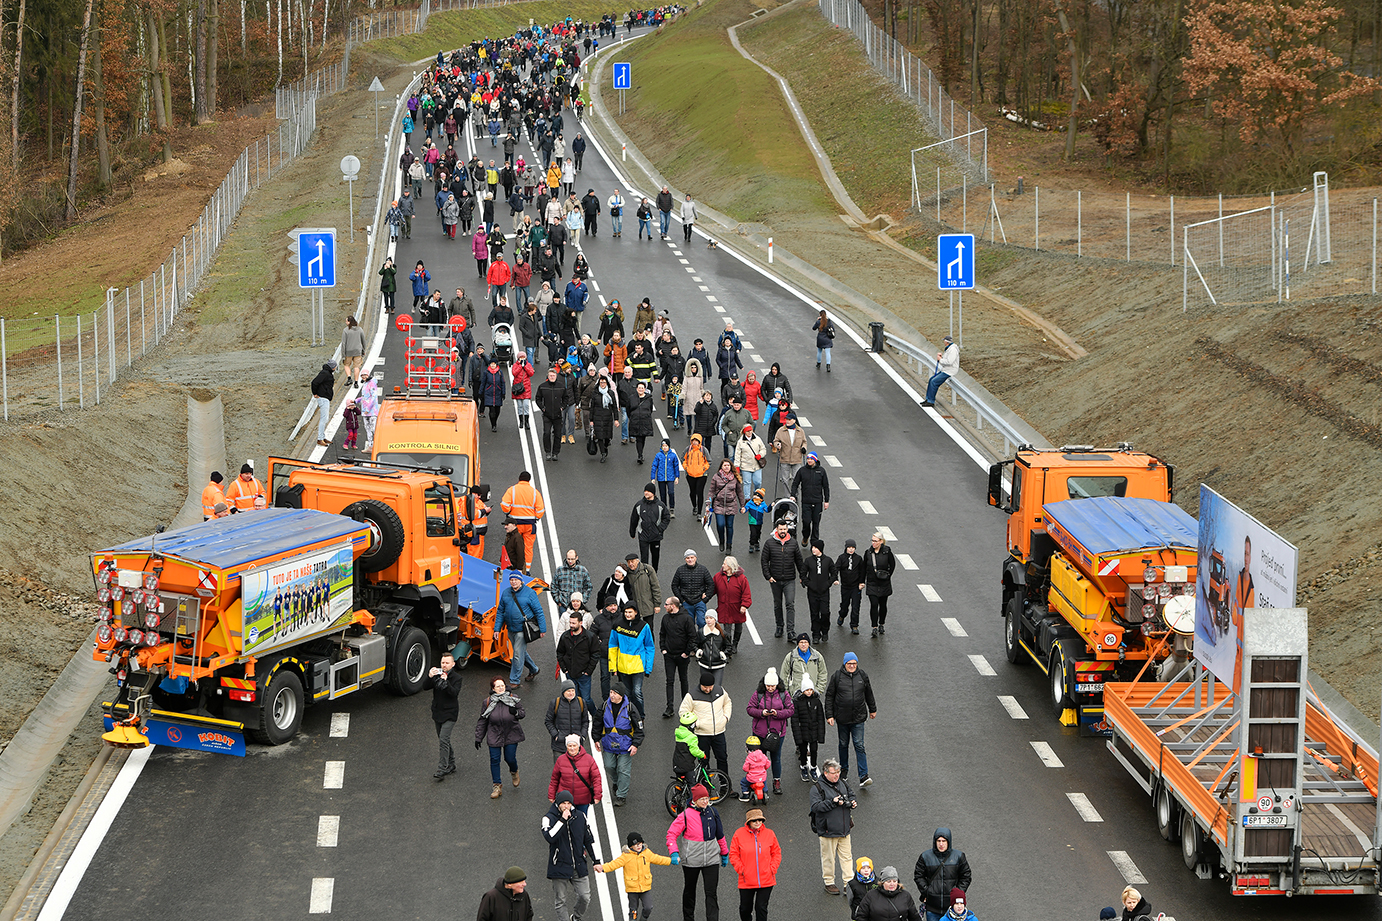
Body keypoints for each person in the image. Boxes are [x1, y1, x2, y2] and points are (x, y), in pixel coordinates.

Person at [665, 784, 729, 921]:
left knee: (711, 893)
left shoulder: (713, 812)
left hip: (711, 860)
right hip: (691, 861)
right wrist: (674, 852)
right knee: (689, 891)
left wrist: (724, 852)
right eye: (702, 799)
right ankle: (688, 918)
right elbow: (671, 834)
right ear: (694, 800)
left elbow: (720, 834)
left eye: (707, 798)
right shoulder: (685, 815)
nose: (705, 802)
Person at [542, 790, 604, 921]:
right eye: (563, 803)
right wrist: (562, 820)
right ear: (558, 804)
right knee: (561, 901)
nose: (566, 806)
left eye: (569, 803)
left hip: (578, 864)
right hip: (559, 865)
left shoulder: (580, 816)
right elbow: (550, 837)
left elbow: (588, 840)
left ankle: (576, 918)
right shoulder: (548, 818)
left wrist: (595, 860)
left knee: (585, 897)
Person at [826, 652, 877, 785]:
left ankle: (864, 776)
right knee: (843, 744)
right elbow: (829, 696)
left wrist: (873, 709)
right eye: (850, 663)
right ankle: (843, 770)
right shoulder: (837, 677)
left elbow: (868, 693)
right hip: (842, 718)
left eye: (854, 663)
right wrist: (829, 715)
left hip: (858, 718)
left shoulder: (862, 675)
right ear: (845, 664)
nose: (852, 666)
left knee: (859, 745)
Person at [600, 830, 672, 921]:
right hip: (632, 889)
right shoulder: (626, 856)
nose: (638, 846)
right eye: (635, 844)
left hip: (645, 887)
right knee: (633, 911)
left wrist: (670, 861)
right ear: (631, 846)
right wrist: (603, 868)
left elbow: (658, 859)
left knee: (648, 907)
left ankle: (643, 919)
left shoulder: (647, 853)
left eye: (640, 843)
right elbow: (614, 864)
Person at [810, 758, 857, 895]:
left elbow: (851, 793)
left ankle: (848, 884)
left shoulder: (842, 782)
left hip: (844, 829)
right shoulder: (817, 788)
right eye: (833, 773)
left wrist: (852, 801)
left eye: (838, 772)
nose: (837, 775)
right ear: (825, 773)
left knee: (847, 857)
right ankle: (829, 882)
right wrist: (833, 802)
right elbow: (815, 807)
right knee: (829, 858)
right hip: (827, 831)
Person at [476, 676, 526, 799]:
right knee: (494, 759)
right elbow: (483, 720)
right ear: (493, 688)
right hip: (494, 734)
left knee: (510, 758)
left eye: (502, 685)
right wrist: (478, 737)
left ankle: (514, 771)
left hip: (511, 733)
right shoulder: (487, 702)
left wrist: (516, 712)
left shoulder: (513, 699)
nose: (501, 688)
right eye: (498, 686)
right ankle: (497, 786)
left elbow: (522, 713)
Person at [594, 682, 644, 806]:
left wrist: (635, 744)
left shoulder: (630, 708)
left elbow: (639, 728)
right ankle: (616, 782)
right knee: (609, 766)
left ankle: (621, 795)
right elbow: (597, 723)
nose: (611, 695)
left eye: (615, 693)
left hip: (625, 746)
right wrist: (596, 739)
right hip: (608, 744)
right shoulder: (604, 706)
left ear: (621, 695)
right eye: (611, 692)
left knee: (623, 770)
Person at [746, 668, 794, 795]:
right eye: (768, 685)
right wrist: (761, 713)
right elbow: (750, 709)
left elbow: (791, 710)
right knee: (758, 759)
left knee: (776, 758)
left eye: (773, 686)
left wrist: (777, 714)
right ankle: (758, 782)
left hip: (777, 734)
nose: (770, 688)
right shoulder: (758, 694)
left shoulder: (784, 694)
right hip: (759, 733)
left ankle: (776, 781)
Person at [729, 808, 780, 921]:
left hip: (766, 879)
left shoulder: (770, 834)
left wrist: (772, 868)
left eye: (760, 820)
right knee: (745, 909)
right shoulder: (739, 834)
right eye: (754, 820)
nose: (758, 822)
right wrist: (741, 869)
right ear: (748, 822)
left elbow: (776, 852)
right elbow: (733, 854)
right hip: (746, 880)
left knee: (761, 908)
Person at [680, 671, 732, 778]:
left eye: (710, 687)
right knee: (703, 760)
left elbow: (727, 702)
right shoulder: (691, 696)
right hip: (701, 734)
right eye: (705, 687)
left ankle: (725, 785)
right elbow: (683, 712)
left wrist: (726, 718)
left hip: (719, 732)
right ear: (700, 684)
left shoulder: (720, 691)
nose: (708, 690)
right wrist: (697, 724)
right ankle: (704, 786)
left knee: (722, 758)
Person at [499, 572, 545, 688]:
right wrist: (496, 629)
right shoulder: (506, 593)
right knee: (521, 652)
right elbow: (500, 611)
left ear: (521, 581)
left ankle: (514, 680)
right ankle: (534, 669)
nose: (513, 582)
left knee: (517, 655)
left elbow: (538, 611)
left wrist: (542, 629)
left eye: (516, 579)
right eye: (511, 580)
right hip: (511, 629)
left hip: (521, 630)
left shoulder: (530, 593)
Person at [610, 603, 656, 718]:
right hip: (622, 666)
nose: (627, 614)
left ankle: (640, 717)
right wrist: (613, 667)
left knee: (637, 693)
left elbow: (650, 646)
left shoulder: (644, 626)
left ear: (636, 612)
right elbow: (612, 645)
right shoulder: (617, 625)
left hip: (638, 667)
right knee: (627, 694)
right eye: (625, 612)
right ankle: (628, 716)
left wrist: (648, 667)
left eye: (630, 612)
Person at [913, 830, 972, 921]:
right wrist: (927, 891)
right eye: (938, 841)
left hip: (953, 908)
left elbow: (966, 876)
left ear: (949, 842)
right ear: (934, 842)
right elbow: (918, 875)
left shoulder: (959, 856)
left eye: (944, 841)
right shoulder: (925, 856)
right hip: (932, 908)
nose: (941, 844)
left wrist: (957, 893)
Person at [760, 521, 804, 640]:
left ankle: (790, 631)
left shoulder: (793, 543)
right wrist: (768, 576)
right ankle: (779, 626)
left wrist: (803, 576)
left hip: (789, 580)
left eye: (785, 529)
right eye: (781, 529)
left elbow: (799, 561)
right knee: (777, 604)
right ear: (776, 530)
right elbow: (764, 561)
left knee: (790, 604)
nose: (783, 531)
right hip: (775, 580)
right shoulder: (769, 543)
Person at [659, 595, 698, 719]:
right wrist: (663, 649)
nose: (664, 606)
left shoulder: (686, 619)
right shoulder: (665, 618)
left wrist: (686, 652)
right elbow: (662, 634)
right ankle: (669, 707)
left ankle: (685, 706)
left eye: (666, 604)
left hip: (682, 655)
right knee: (669, 681)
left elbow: (692, 636)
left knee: (683, 680)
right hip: (669, 655)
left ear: (673, 606)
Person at [427, 651, 462, 780]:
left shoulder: (457, 678)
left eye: (447, 663)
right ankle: (451, 763)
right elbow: (425, 687)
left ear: (453, 664)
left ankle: (442, 768)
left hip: (450, 713)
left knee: (443, 739)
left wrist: (446, 683)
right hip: (437, 712)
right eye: (443, 662)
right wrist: (430, 676)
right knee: (444, 740)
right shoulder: (437, 674)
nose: (444, 665)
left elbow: (454, 693)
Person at [501, 472, 546, 573]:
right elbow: (540, 510)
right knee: (528, 548)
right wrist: (535, 517)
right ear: (529, 480)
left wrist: (508, 512)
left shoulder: (512, 490)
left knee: (513, 545)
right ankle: (527, 570)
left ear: (519, 479)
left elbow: (504, 505)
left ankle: (511, 567)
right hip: (529, 525)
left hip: (515, 525)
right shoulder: (535, 492)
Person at [549, 734, 604, 813]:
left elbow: (596, 778)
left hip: (583, 799)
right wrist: (551, 794)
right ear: (566, 746)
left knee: (581, 821)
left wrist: (597, 795)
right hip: (566, 801)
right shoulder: (560, 760)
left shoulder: (589, 759)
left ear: (579, 746)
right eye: (569, 745)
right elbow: (555, 779)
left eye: (574, 745)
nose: (572, 748)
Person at [712, 556, 752, 657]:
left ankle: (735, 644)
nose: (722, 565)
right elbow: (712, 589)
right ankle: (728, 647)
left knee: (738, 626)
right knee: (727, 629)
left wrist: (744, 605)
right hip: (724, 607)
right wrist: (705, 596)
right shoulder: (718, 577)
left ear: (730, 566)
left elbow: (746, 593)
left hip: (737, 607)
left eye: (724, 564)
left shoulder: (742, 578)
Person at [790, 673, 825, 782]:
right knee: (803, 750)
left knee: (814, 750)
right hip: (803, 731)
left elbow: (820, 718)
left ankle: (813, 767)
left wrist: (821, 734)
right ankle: (804, 766)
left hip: (814, 730)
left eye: (811, 689)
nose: (809, 692)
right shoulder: (797, 702)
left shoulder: (816, 701)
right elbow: (794, 720)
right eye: (807, 690)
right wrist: (797, 737)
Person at [630, 483, 673, 572]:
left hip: (656, 536)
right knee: (644, 558)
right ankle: (645, 576)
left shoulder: (661, 505)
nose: (646, 493)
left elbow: (667, 518)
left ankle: (654, 574)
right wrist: (632, 531)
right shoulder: (639, 505)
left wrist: (660, 529)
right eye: (645, 491)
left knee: (655, 557)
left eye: (648, 491)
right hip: (643, 536)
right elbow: (634, 518)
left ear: (653, 493)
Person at [791, 454, 830, 548]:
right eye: (808, 459)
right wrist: (793, 495)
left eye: (811, 459)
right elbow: (795, 483)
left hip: (817, 502)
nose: (809, 461)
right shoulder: (802, 471)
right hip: (806, 502)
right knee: (806, 522)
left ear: (815, 460)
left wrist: (826, 501)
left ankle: (814, 543)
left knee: (816, 523)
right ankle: (805, 536)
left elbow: (826, 486)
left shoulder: (821, 471)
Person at [802, 540, 837, 644]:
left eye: (816, 548)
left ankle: (825, 631)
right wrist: (809, 584)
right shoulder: (808, 561)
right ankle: (816, 634)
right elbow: (803, 574)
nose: (813, 549)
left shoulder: (828, 560)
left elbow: (834, 573)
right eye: (812, 547)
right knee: (814, 613)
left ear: (820, 549)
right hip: (812, 592)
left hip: (824, 592)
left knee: (825, 612)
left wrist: (828, 584)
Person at [862, 533, 896, 637]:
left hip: (884, 583)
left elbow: (893, 564)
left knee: (883, 605)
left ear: (881, 541)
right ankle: (874, 627)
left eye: (875, 541)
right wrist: (862, 581)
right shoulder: (868, 553)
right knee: (874, 604)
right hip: (872, 583)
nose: (873, 543)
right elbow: (864, 568)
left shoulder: (887, 551)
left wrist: (888, 575)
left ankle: (881, 623)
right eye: (872, 540)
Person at [545, 681, 590, 760]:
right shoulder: (555, 703)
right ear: (563, 692)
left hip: (576, 745)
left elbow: (585, 721)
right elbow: (548, 721)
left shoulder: (581, 702)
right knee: (560, 770)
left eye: (573, 690)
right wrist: (556, 735)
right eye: (568, 691)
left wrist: (582, 735)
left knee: (577, 771)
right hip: (560, 745)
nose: (571, 693)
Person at [857, 868, 922, 921]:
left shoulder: (905, 896)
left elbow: (914, 917)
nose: (892, 884)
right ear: (882, 882)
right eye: (888, 881)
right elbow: (861, 916)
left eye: (894, 881)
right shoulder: (871, 895)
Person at [671, 550, 714, 629]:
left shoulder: (703, 569)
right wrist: (681, 599)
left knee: (702, 622)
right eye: (687, 558)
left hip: (699, 602)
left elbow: (711, 584)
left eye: (692, 557)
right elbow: (674, 585)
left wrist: (706, 598)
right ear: (685, 559)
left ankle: (701, 639)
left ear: (696, 558)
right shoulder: (680, 570)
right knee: (689, 624)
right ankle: (692, 640)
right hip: (686, 602)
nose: (690, 559)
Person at [706, 459, 742, 553]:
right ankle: (721, 541)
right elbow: (711, 491)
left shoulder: (735, 478)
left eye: (728, 465)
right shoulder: (716, 477)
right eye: (725, 465)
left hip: (731, 505)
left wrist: (743, 505)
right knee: (720, 524)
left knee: (729, 526)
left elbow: (739, 492)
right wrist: (708, 504)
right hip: (719, 504)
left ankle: (729, 545)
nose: (726, 467)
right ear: (721, 466)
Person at [537, 366, 570, 461]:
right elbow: (538, 398)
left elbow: (566, 398)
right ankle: (547, 452)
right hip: (547, 415)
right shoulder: (542, 386)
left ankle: (555, 453)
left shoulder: (561, 386)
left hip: (558, 415)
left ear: (556, 376)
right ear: (548, 376)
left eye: (553, 375)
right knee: (546, 433)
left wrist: (562, 407)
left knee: (557, 434)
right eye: (550, 375)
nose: (552, 377)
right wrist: (542, 408)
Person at [625, 552, 664, 628]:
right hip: (635, 608)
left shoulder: (648, 570)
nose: (630, 564)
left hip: (647, 605)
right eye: (628, 562)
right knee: (635, 629)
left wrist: (657, 604)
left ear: (637, 561)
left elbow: (655, 587)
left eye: (632, 561)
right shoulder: (627, 573)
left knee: (649, 629)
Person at [771, 414, 807, 497]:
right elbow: (775, 441)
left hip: (797, 458)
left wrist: (804, 448)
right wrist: (777, 445)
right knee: (785, 479)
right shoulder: (781, 430)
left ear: (794, 420)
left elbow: (804, 442)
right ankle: (788, 496)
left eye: (789, 420)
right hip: (784, 458)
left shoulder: (800, 431)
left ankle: (795, 495)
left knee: (796, 479)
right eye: (786, 419)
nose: (787, 421)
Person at [835, 540, 865, 636]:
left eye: (853, 547)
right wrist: (835, 579)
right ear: (846, 548)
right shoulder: (841, 558)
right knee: (845, 605)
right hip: (845, 587)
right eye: (849, 547)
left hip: (855, 587)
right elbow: (836, 568)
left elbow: (862, 571)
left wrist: (861, 582)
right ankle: (842, 615)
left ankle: (854, 625)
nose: (851, 549)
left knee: (856, 606)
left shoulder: (859, 559)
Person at [554, 548, 595, 615]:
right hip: (564, 605)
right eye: (568, 559)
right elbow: (554, 586)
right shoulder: (560, 570)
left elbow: (588, 587)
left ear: (576, 558)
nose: (570, 561)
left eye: (572, 559)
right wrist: (558, 600)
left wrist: (582, 600)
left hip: (578, 607)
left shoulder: (583, 571)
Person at [922, 336, 959, 407]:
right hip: (946, 370)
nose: (944, 342)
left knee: (934, 382)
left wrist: (940, 359)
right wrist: (941, 357)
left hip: (950, 371)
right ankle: (928, 399)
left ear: (947, 342)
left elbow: (950, 361)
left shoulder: (953, 350)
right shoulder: (949, 348)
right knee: (931, 380)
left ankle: (931, 401)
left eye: (944, 341)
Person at [734, 425, 768, 502]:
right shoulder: (740, 442)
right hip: (745, 466)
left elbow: (763, 449)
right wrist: (737, 466)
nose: (750, 432)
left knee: (758, 482)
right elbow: (737, 455)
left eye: (751, 430)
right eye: (748, 431)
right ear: (744, 432)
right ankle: (747, 498)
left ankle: (756, 493)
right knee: (747, 483)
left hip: (756, 466)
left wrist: (760, 455)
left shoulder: (757, 439)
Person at [694, 612, 729, 685]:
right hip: (704, 664)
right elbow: (694, 644)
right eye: (707, 618)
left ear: (715, 619)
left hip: (718, 665)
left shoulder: (722, 633)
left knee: (716, 688)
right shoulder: (701, 632)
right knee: (706, 688)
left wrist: (723, 654)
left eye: (711, 618)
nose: (708, 620)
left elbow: (729, 647)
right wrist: (699, 652)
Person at [683, 434, 712, 519]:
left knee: (700, 492)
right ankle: (694, 506)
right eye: (693, 440)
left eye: (696, 440)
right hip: (690, 474)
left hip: (702, 475)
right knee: (692, 492)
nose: (695, 442)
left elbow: (709, 461)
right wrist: (686, 468)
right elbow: (683, 459)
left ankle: (699, 512)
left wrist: (703, 469)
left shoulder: (703, 450)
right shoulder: (688, 450)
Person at [627, 381, 657, 464]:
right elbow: (628, 409)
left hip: (645, 421)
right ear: (636, 389)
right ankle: (640, 455)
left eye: (642, 388)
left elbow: (650, 410)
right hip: (635, 421)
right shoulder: (631, 398)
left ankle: (640, 453)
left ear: (645, 389)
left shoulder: (649, 399)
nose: (640, 389)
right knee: (638, 438)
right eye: (639, 388)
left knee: (642, 438)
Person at [652, 439, 682, 518]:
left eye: (666, 446)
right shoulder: (658, 455)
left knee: (671, 492)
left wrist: (677, 477)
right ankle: (664, 509)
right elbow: (654, 466)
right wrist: (653, 478)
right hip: (661, 478)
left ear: (669, 446)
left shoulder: (673, 456)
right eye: (663, 446)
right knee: (662, 494)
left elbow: (676, 466)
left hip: (670, 477)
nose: (664, 448)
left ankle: (671, 509)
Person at [310, 359, 336, 447]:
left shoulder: (326, 372)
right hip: (323, 397)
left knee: (325, 418)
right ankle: (320, 439)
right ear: (333, 367)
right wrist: (315, 393)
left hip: (325, 397)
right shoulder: (325, 373)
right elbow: (314, 382)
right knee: (324, 419)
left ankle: (322, 436)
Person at [480, 356, 508, 432]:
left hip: (498, 394)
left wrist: (503, 393)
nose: (492, 365)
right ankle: (493, 425)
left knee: (497, 410)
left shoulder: (499, 372)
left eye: (494, 364)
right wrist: (481, 392)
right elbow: (483, 383)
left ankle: (495, 421)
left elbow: (503, 383)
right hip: (489, 393)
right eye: (491, 364)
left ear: (496, 365)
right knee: (491, 411)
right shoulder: (486, 372)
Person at [340, 316, 366, 386]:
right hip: (358, 351)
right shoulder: (359, 329)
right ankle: (356, 382)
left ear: (349, 322)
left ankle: (349, 378)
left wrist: (343, 354)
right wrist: (363, 350)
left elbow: (343, 343)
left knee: (346, 365)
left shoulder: (346, 330)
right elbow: (363, 341)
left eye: (346, 321)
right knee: (356, 367)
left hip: (348, 351)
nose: (346, 322)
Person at [744, 489, 769, 554]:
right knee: (753, 533)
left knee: (758, 533)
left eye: (757, 496)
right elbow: (745, 508)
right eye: (754, 495)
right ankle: (751, 545)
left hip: (759, 522)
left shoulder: (763, 504)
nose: (755, 497)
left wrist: (771, 506)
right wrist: (743, 510)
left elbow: (767, 510)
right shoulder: (750, 503)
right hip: (752, 522)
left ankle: (756, 542)